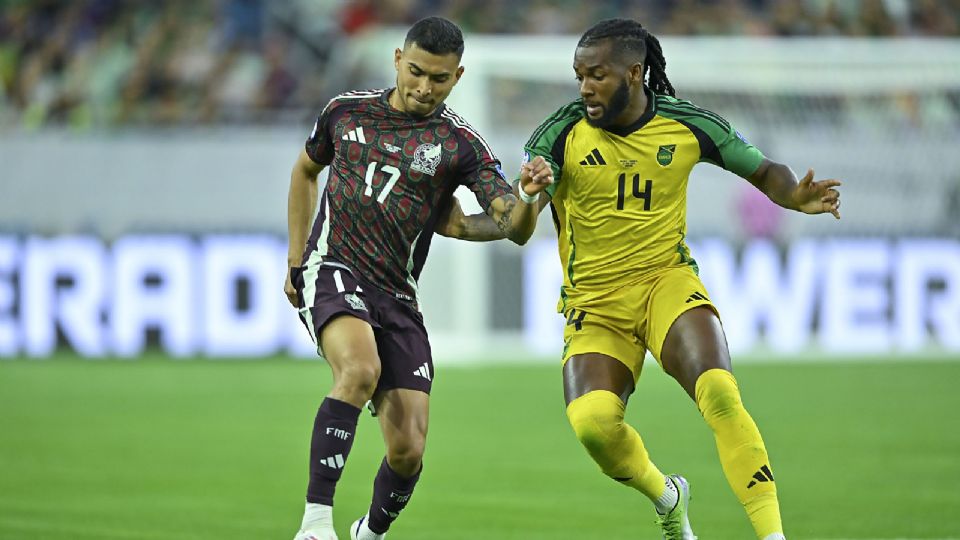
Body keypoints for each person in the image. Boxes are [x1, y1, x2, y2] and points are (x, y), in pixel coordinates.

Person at [442, 18, 841, 540]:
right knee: (593, 426)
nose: (585, 87)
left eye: (598, 75)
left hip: (665, 283)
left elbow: (763, 169)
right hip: (595, 306)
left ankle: (773, 535)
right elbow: (519, 232)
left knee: (720, 392)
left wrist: (793, 196)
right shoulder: (557, 135)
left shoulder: (688, 123)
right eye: (579, 75)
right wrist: (531, 194)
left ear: (635, 72)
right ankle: (667, 496)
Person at [283, 16, 553, 540]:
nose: (424, 87)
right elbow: (304, 172)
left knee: (407, 450)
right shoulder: (345, 112)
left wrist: (525, 198)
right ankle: (315, 525)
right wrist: (297, 259)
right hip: (333, 268)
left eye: (439, 78)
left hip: (397, 296)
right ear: (397, 61)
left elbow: (512, 229)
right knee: (358, 370)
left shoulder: (459, 145)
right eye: (416, 72)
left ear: (458, 76)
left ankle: (370, 533)